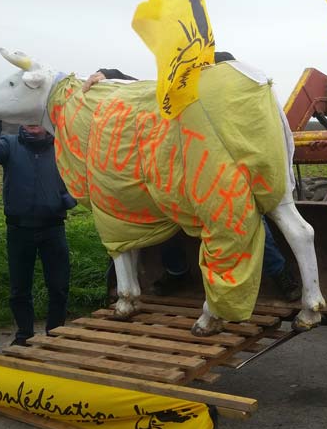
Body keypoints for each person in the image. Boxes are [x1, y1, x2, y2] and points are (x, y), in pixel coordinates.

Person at [83, 58, 302, 302]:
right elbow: (141, 89)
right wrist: (108, 73)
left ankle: (279, 273)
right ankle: (177, 271)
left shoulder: (220, 68)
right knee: (162, 210)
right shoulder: (171, 75)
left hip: (219, 161)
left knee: (242, 214)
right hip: (180, 162)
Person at [0, 119, 77, 346]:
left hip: (53, 228)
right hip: (18, 229)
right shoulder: (9, 145)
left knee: (59, 286)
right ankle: (24, 335)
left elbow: (80, 176)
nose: (32, 123)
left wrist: (67, 200)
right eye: (28, 118)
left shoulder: (62, 148)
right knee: (19, 288)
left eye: (37, 118)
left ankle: (56, 335)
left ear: (47, 122)